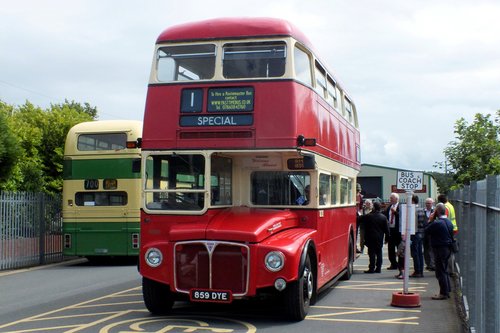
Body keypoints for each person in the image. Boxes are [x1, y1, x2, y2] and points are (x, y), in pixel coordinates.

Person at [425, 203, 454, 300]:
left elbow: (426, 230)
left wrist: (431, 219)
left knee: (440, 272)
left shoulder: (437, 223)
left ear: (436, 212)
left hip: (439, 249)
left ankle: (443, 293)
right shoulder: (448, 222)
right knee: (444, 270)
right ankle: (447, 290)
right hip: (447, 248)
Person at [363, 201, 390, 273]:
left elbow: (360, 219)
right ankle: (378, 268)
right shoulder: (383, 217)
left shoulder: (368, 216)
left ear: (374, 207)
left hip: (370, 237)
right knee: (379, 253)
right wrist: (387, 238)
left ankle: (371, 268)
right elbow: (387, 230)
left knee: (371, 253)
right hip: (379, 238)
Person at [410, 195, 426, 278]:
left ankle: (417, 271)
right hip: (421, 233)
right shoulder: (421, 209)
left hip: (415, 233)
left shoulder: (413, 210)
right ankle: (420, 271)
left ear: (412, 201)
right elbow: (423, 221)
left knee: (415, 253)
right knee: (420, 253)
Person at [385, 193, 401, 270]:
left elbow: (402, 217)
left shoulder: (400, 206)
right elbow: (385, 215)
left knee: (399, 248)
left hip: (398, 231)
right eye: (390, 198)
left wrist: (395, 212)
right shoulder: (389, 207)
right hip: (390, 230)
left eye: (392, 198)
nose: (390, 199)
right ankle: (393, 263)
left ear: (396, 199)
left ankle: (401, 264)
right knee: (390, 248)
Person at [423, 198, 435, 271]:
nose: (428, 205)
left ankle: (432, 264)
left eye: (429, 203)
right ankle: (428, 264)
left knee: (431, 249)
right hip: (424, 233)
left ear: (432, 204)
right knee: (425, 249)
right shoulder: (423, 211)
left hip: (432, 233)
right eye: (427, 203)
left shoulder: (435, 211)